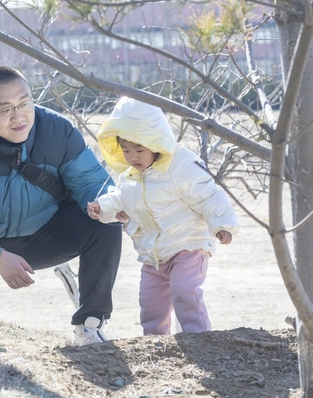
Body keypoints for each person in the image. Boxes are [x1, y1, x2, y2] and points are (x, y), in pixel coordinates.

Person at [0, 65, 122, 348]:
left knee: (106, 223)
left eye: (25, 103)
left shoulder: (58, 131)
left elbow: (91, 183)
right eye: (5, 109)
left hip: (46, 234)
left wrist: (107, 204)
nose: (19, 116)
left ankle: (90, 325)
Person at [87, 97, 239, 335]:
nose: (133, 157)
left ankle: (200, 340)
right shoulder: (131, 175)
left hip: (187, 245)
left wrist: (222, 224)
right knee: (150, 303)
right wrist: (102, 207)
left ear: (155, 143)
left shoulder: (181, 165)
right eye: (126, 151)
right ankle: (155, 343)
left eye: (139, 150)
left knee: (185, 292)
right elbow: (122, 198)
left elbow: (209, 194)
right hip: (153, 255)